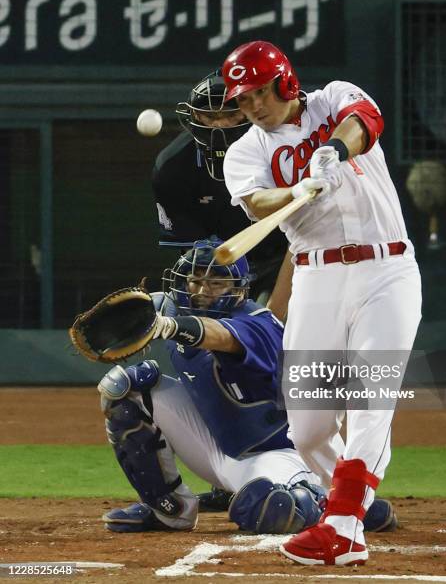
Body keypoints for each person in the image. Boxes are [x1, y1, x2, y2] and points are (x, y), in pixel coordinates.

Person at [221, 41, 422, 564]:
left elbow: (365, 118)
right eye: (244, 100)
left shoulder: (332, 99)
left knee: (369, 397)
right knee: (308, 428)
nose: (254, 106)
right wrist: (298, 189)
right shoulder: (247, 151)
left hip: (386, 268)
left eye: (261, 92)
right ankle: (353, 496)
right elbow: (257, 202)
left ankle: (344, 523)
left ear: (285, 82)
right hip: (316, 277)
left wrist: (332, 151)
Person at [99, 239, 397, 535]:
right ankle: (169, 510)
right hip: (217, 448)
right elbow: (152, 305)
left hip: (279, 454)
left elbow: (219, 336)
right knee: (123, 387)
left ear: (238, 289)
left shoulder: (256, 323)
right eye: (195, 279)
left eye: (216, 281)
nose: (203, 290)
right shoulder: (174, 309)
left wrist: (170, 327)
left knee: (271, 508)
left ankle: (341, 503)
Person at [153, 69, 287, 306]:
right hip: (218, 269)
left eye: (229, 114)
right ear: (193, 115)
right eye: (209, 116)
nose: (219, 125)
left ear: (246, 112)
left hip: (282, 257)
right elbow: (190, 250)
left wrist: (275, 306)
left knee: (274, 328)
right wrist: (216, 288)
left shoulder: (281, 151)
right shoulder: (172, 167)